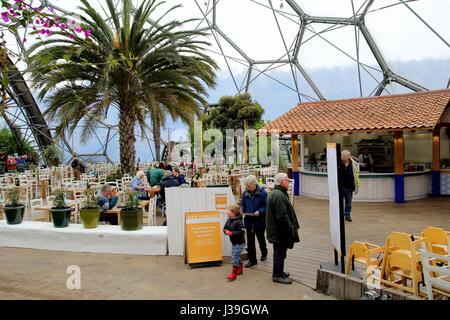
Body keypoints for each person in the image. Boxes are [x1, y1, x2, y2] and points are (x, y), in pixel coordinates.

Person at [266, 172, 300, 285]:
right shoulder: (278, 195)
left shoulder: (278, 193)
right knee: (279, 254)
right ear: (281, 182)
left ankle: (279, 272)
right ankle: (277, 275)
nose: (289, 183)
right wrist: (290, 229)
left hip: (278, 231)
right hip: (279, 232)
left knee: (280, 253)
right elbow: (282, 217)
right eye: (287, 181)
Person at [241, 175, 268, 268]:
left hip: (259, 220)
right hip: (249, 220)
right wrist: (242, 210)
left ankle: (264, 252)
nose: (247, 188)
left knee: (261, 238)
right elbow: (243, 204)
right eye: (246, 186)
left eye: (249, 186)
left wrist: (259, 211)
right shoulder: (245, 193)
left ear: (254, 184)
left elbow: (266, 206)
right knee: (250, 241)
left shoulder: (263, 193)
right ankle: (252, 260)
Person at [223, 205, 246, 281]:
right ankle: (240, 269)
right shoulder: (229, 219)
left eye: (228, 211)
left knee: (234, 256)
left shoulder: (239, 221)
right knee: (236, 255)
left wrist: (231, 233)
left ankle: (234, 273)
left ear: (233, 213)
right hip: (234, 242)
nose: (226, 212)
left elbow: (241, 232)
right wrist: (225, 231)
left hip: (240, 242)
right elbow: (225, 228)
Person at [341, 150, 360, 222]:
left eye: (344, 156)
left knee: (348, 202)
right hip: (340, 186)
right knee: (339, 202)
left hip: (349, 187)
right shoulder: (338, 163)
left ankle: (347, 215)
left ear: (348, 156)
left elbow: (358, 163)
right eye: (342, 155)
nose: (342, 157)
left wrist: (356, 186)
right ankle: (339, 215)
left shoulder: (353, 164)